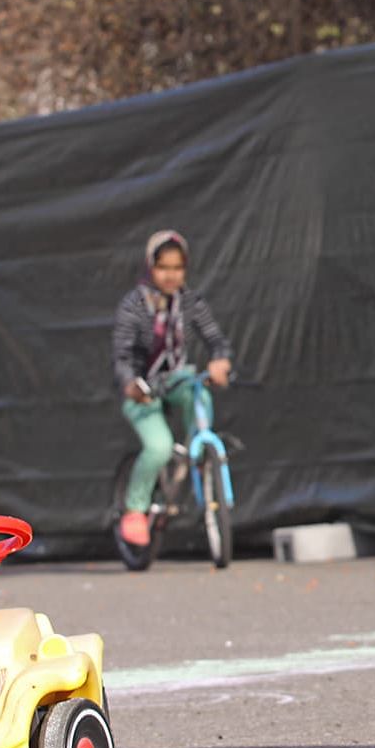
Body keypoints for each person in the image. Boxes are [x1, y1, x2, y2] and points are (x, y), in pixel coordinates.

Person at [111, 229, 233, 547]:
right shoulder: (135, 305)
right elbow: (122, 356)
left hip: (178, 381)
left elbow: (216, 340)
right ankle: (135, 510)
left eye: (178, 268)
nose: (171, 275)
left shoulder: (190, 302)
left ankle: (198, 458)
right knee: (159, 447)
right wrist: (130, 384)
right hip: (144, 389)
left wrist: (220, 362)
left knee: (199, 393)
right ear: (151, 267)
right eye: (163, 268)